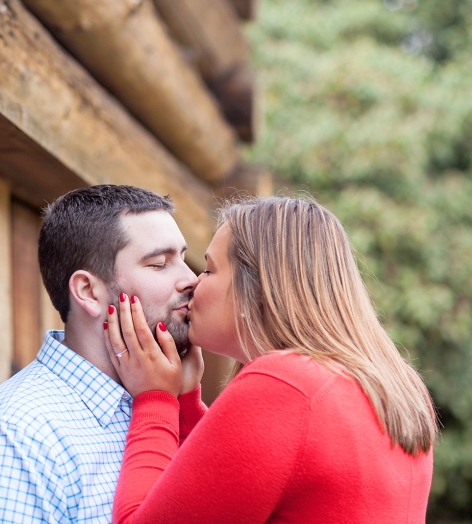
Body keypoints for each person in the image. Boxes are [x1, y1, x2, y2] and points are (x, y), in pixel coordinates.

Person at [103, 196, 437, 524]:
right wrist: (187, 405)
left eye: (209, 269)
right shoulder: (393, 384)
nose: (194, 282)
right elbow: (231, 491)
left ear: (257, 286)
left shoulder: (286, 384)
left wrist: (154, 399)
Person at [0, 185, 199, 523]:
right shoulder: (17, 436)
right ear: (88, 291)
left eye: (184, 259)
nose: (192, 280)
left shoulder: (162, 405)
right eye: (159, 264)